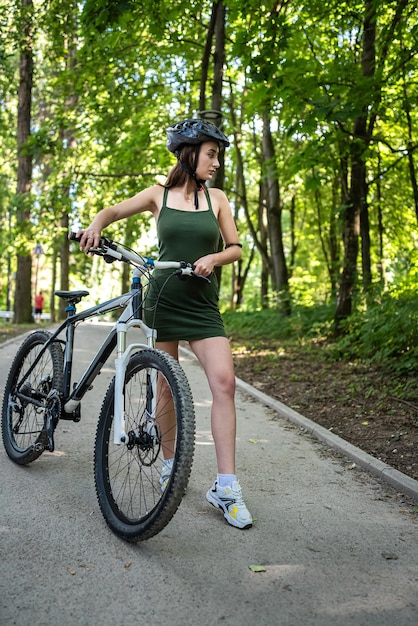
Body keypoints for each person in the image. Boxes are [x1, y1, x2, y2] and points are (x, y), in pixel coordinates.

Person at [78, 118, 252, 530]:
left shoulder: (219, 199)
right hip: (163, 301)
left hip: (202, 306)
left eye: (218, 155)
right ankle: (169, 467)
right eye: (211, 154)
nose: (216, 162)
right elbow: (114, 210)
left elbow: (236, 248)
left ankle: (226, 488)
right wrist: (97, 224)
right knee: (165, 388)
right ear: (189, 154)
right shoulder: (159, 194)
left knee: (224, 382)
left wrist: (214, 258)